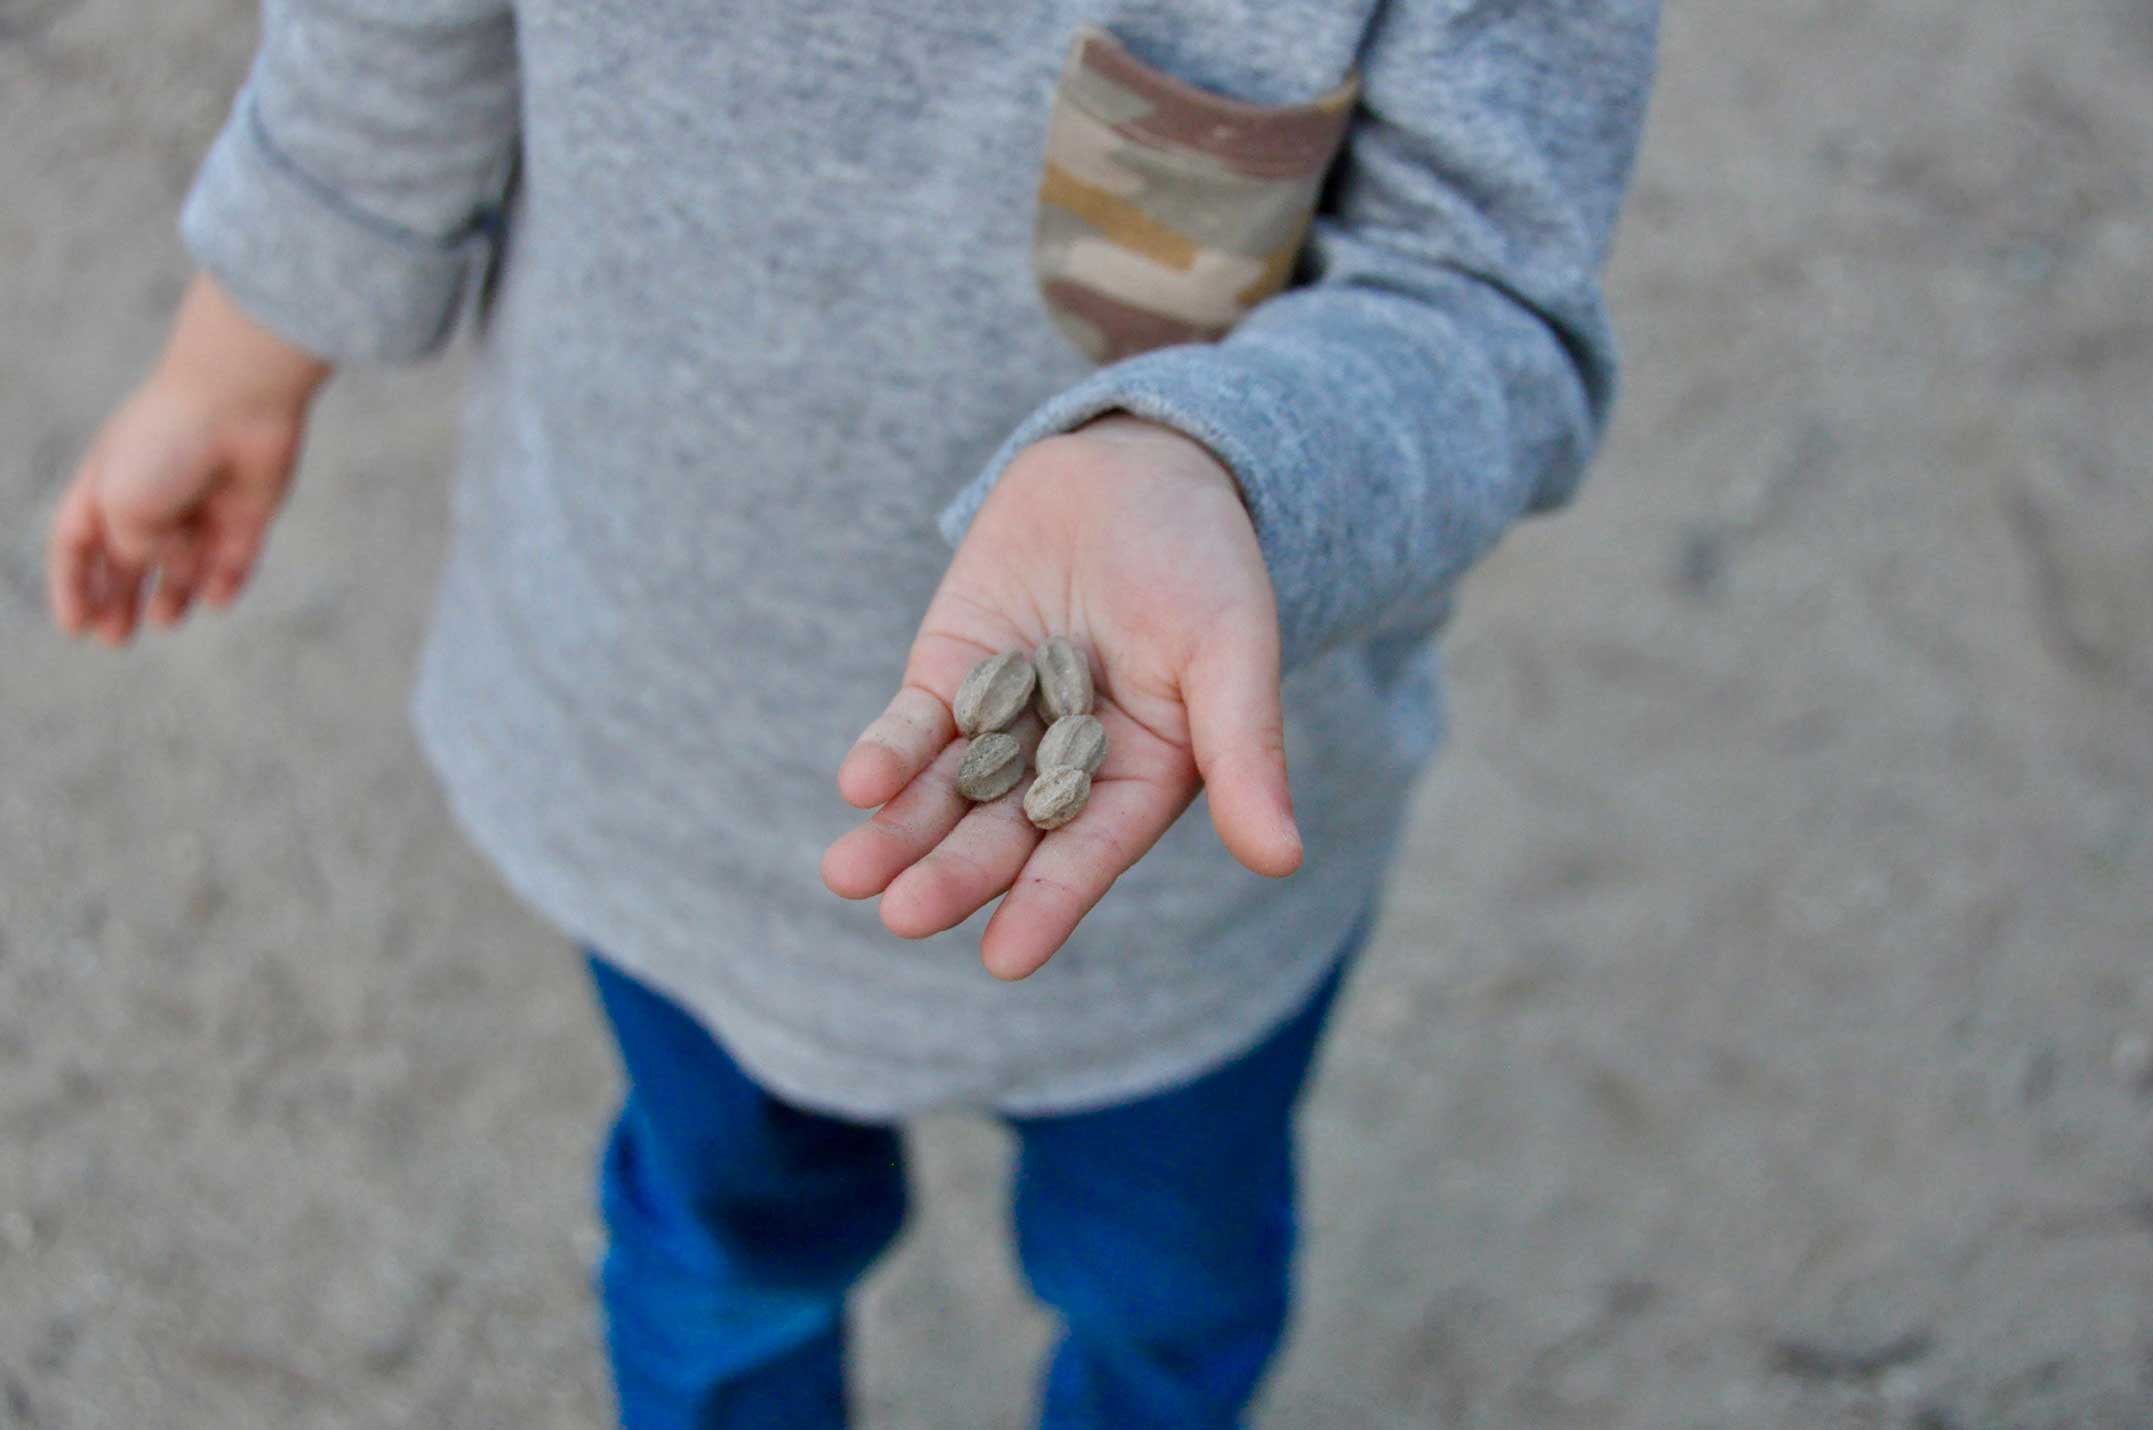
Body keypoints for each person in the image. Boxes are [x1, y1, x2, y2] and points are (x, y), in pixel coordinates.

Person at [43, 2, 1659, 1425]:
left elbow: (1481, 291)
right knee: (727, 1244)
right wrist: (238, 353)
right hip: (666, 736)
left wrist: (1223, 463)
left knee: (1160, 1279)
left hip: (1174, 855)